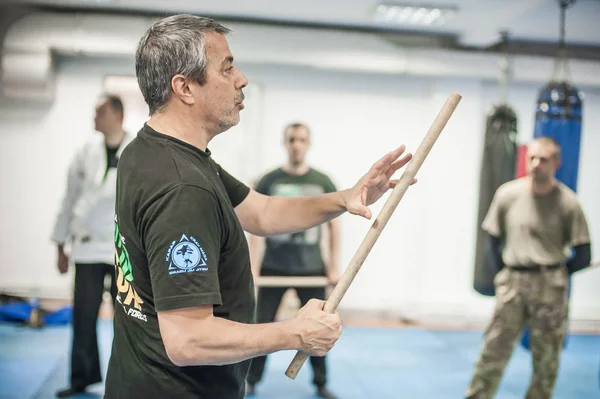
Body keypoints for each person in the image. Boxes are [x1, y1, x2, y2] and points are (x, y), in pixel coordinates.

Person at [105, 14, 415, 399]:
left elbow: (260, 212)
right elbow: (188, 340)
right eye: (227, 67)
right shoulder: (182, 187)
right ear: (184, 87)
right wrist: (294, 332)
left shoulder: (149, 149)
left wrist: (346, 197)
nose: (241, 79)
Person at [465, 136, 592, 399]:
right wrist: (504, 271)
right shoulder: (508, 194)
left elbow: (583, 253)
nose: (536, 164)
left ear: (556, 163)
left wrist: (555, 273)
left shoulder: (568, 203)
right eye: (531, 157)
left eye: (543, 159)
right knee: (493, 350)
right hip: (513, 282)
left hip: (550, 287)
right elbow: (492, 237)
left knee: (547, 358)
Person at [246, 122, 340, 399]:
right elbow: (255, 224)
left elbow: (334, 226)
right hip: (274, 266)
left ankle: (321, 382)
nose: (296, 145)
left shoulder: (323, 182)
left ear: (308, 143)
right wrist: (252, 266)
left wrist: (333, 266)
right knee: (261, 324)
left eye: (301, 140)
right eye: (291, 139)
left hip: (311, 267)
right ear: (285, 143)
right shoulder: (269, 181)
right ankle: (251, 380)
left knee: (320, 326)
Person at [51, 94, 133, 398]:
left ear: (117, 115)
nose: (94, 117)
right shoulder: (84, 154)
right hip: (85, 248)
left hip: (122, 249)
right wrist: (60, 245)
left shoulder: (138, 151)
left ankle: (129, 378)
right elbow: (69, 200)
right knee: (83, 316)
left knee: (128, 317)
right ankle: (81, 378)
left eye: (99, 112)